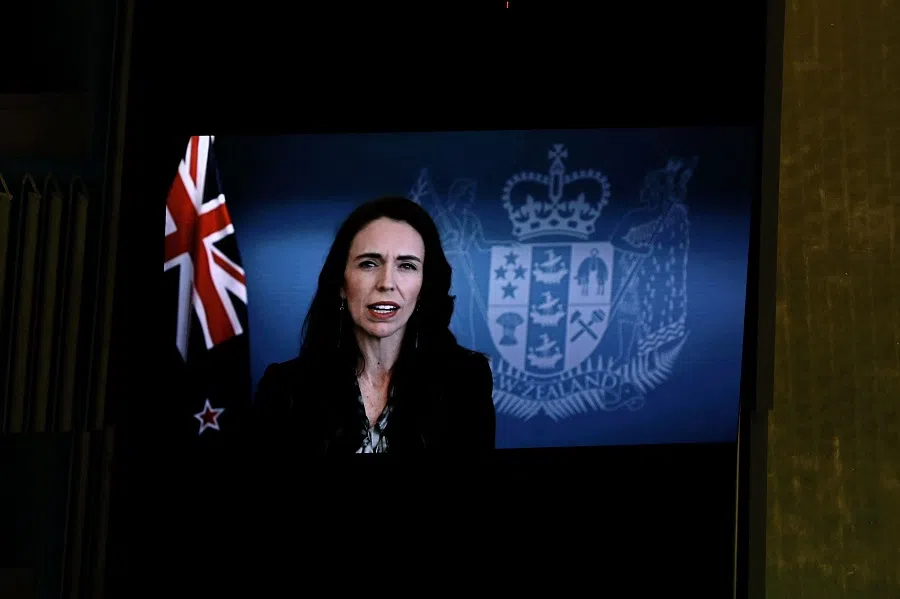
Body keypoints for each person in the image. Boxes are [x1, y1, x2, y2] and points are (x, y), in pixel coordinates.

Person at [251, 196, 496, 455]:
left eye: (407, 265)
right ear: (341, 284)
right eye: (369, 263)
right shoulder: (284, 388)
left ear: (424, 288)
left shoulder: (467, 380)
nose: (386, 283)